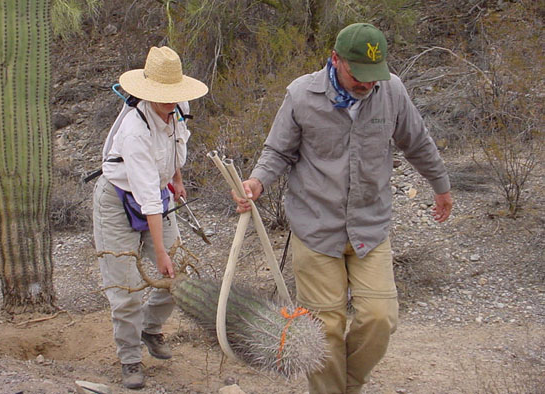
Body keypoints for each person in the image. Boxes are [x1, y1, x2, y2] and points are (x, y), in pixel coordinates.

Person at [233, 23, 452, 394]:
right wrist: (257, 181)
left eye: (374, 75)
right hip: (316, 228)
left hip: (370, 226)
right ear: (335, 59)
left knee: (380, 318)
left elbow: (417, 142)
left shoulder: (391, 92)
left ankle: (347, 384)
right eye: (359, 75)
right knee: (325, 328)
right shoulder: (302, 94)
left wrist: (441, 187)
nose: (367, 84)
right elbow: (278, 151)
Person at [92, 46, 208, 389]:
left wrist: (177, 180)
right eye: (164, 96)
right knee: (125, 288)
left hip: (158, 193)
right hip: (118, 199)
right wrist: (159, 253)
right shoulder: (134, 131)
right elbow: (147, 201)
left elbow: (176, 148)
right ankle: (130, 359)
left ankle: (150, 328)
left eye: (175, 95)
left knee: (179, 273)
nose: (170, 102)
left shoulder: (180, 108)